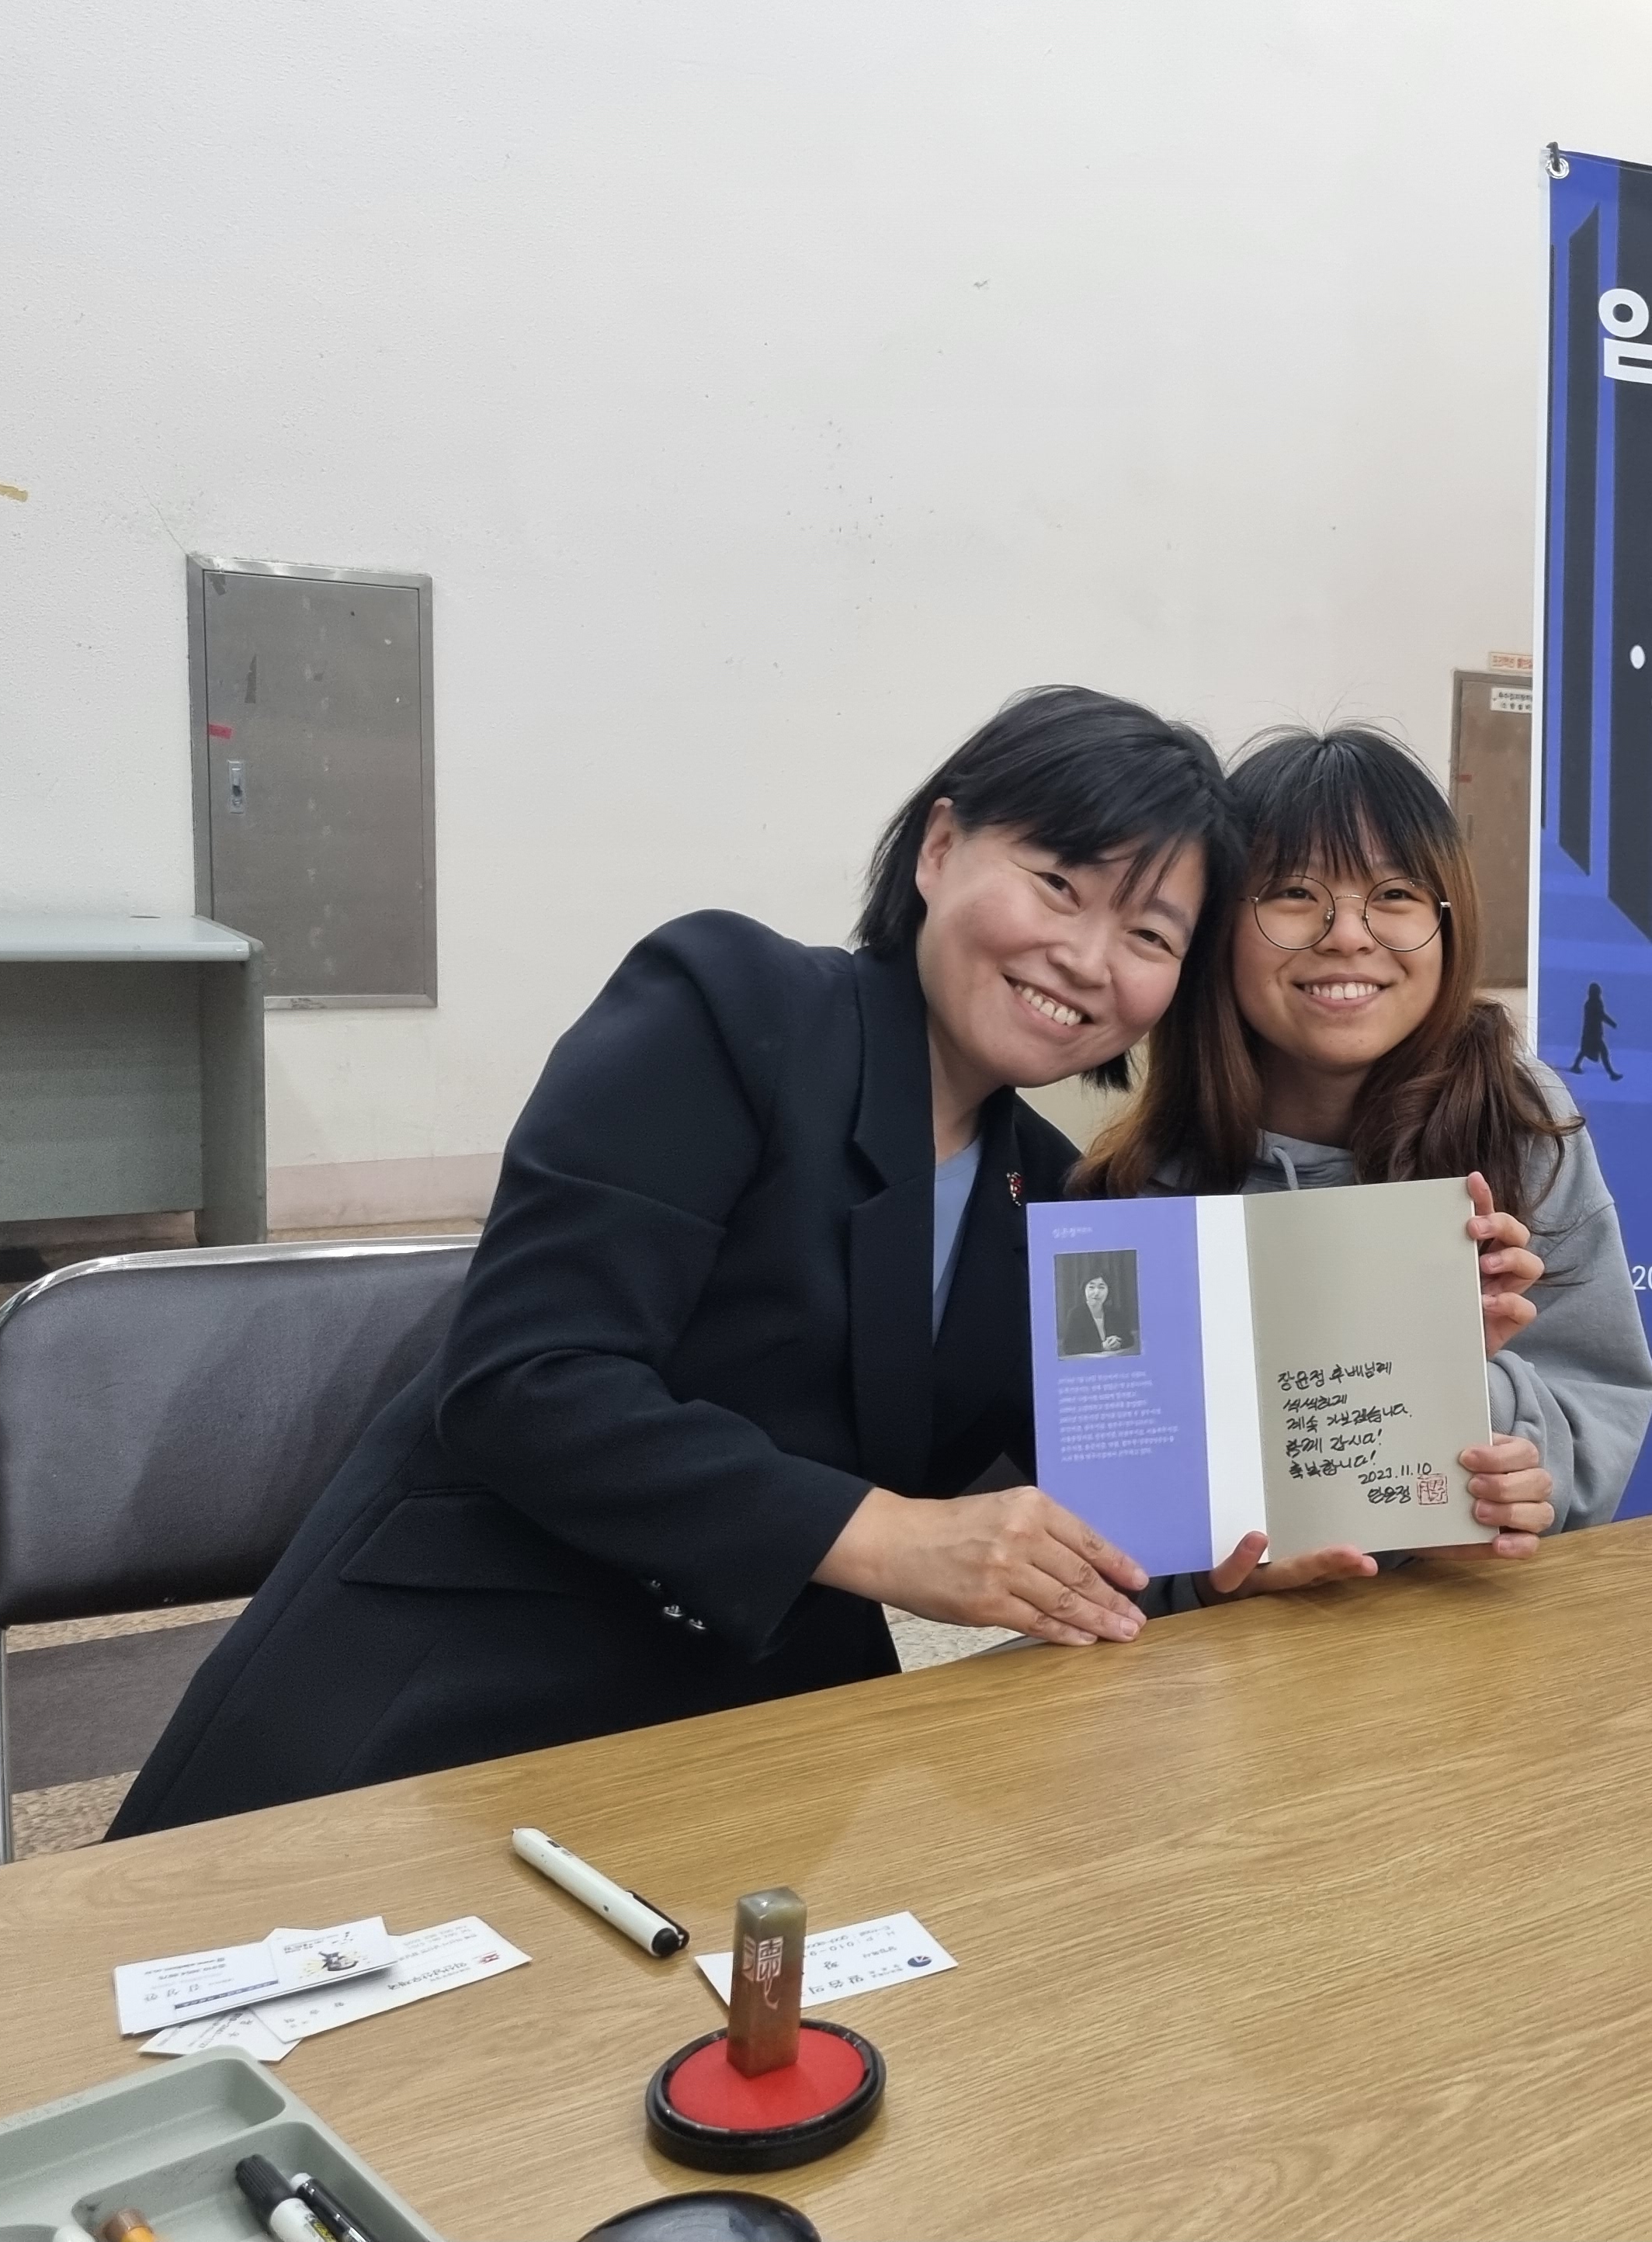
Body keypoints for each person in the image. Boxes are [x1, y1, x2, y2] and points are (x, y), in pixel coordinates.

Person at [113, 687, 1235, 1834]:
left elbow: (1132, 1489)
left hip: (750, 1730)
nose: (1086, 958)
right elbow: (527, 1378)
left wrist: (1237, 1550)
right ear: (940, 848)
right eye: (1059, 884)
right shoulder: (733, 1004)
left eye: (1150, 936)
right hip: (454, 1689)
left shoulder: (1055, 1195)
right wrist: (889, 1537)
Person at [1081, 725, 1652, 1602]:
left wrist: (1493, 1435)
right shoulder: (1135, 1195)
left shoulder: (1519, 1121)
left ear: (1447, 920)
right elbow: (1109, 1540)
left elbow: (1599, 1411)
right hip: (1232, 1662)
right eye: (1293, 893)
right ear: (1218, 924)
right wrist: (1214, 1588)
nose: (1347, 935)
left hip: (1468, 1630)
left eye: (1393, 894)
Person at [1568, 980, 1623, 1081]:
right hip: (1593, 1033)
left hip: (1592, 1032)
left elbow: (1600, 1015)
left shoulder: (1592, 1003)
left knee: (1586, 1050)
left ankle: (1576, 1066)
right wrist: (1612, 1023)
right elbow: (1601, 1015)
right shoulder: (1594, 1003)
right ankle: (1611, 1074)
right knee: (1601, 1052)